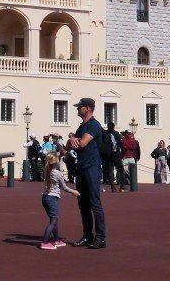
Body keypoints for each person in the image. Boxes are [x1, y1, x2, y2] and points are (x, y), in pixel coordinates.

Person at [69, 98, 106, 249]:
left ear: (88, 109)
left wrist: (73, 139)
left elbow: (82, 143)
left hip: (92, 168)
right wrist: (72, 139)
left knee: (94, 203)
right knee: (82, 204)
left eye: (80, 107)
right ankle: (87, 235)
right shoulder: (81, 127)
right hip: (82, 168)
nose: (77, 110)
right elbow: (69, 146)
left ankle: (101, 237)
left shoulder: (94, 125)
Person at [40, 152, 80, 250]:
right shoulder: (57, 173)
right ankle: (45, 242)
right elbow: (64, 187)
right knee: (53, 221)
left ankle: (57, 239)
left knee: (53, 219)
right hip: (52, 198)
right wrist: (73, 191)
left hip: (45, 197)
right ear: (56, 162)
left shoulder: (46, 169)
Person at [102, 122, 123, 192]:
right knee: (121, 170)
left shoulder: (105, 133)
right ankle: (122, 186)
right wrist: (122, 153)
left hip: (108, 154)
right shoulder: (116, 134)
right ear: (113, 127)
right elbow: (120, 144)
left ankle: (113, 187)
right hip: (115, 154)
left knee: (110, 171)